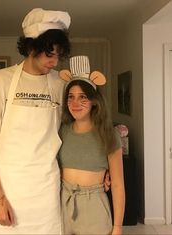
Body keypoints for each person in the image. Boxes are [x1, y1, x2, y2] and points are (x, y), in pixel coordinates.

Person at [0, 8, 71, 234]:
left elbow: (77, 129)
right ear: (30, 48)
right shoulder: (0, 81)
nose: (55, 62)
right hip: (8, 186)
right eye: (49, 54)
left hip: (46, 187)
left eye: (58, 55)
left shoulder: (61, 84)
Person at [58, 56, 125, 235]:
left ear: (94, 101)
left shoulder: (109, 135)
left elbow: (117, 184)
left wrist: (117, 226)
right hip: (63, 202)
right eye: (70, 97)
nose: (75, 103)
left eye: (83, 97)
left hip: (94, 205)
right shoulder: (61, 132)